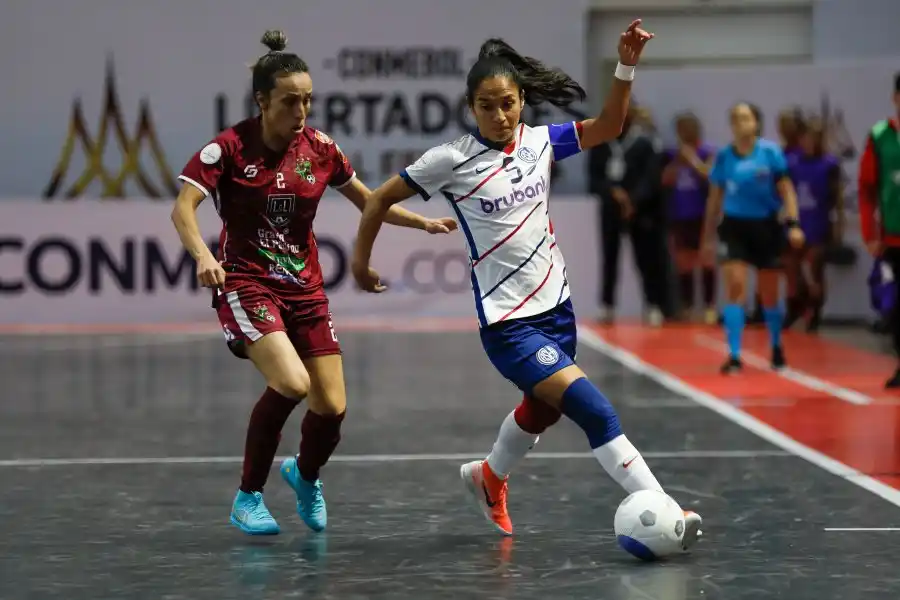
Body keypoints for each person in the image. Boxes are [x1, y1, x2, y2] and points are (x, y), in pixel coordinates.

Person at [350, 20, 703, 550]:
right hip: (509, 324)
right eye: (487, 106)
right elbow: (378, 199)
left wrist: (626, 66)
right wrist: (360, 264)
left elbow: (609, 125)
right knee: (596, 411)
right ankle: (668, 511)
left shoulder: (541, 142)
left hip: (557, 308)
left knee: (543, 411)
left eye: (508, 104)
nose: (500, 115)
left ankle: (488, 477)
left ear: (521, 102)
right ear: (471, 107)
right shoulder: (451, 159)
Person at [171, 30, 457, 536]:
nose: (301, 111)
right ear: (262, 101)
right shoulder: (229, 148)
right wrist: (203, 256)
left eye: (307, 99)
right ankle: (248, 497)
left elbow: (370, 201)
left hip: (305, 288)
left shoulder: (321, 149)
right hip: (246, 282)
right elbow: (182, 209)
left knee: (332, 407)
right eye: (289, 101)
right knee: (292, 383)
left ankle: (304, 475)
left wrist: (422, 223)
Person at [701, 103, 804, 374]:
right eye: (735, 118)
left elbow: (787, 191)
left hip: (766, 227)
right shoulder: (724, 157)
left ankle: (776, 346)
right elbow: (714, 200)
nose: (740, 123)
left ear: (756, 123)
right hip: (734, 227)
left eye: (745, 118)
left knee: (768, 293)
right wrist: (707, 238)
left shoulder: (770, 153)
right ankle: (734, 355)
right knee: (735, 287)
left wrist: (793, 224)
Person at [588, 104, 666, 326]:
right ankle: (607, 305)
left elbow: (651, 178)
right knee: (609, 257)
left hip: (639, 210)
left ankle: (653, 304)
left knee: (646, 258)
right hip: (610, 208)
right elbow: (594, 177)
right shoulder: (601, 142)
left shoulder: (644, 143)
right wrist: (612, 192)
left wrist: (633, 200)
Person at [859, 71, 900, 388]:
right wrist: (870, 233)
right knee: (895, 305)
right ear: (895, 98)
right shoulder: (880, 136)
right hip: (893, 238)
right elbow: (866, 189)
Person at [783, 116, 843, 332]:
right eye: (806, 138)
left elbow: (837, 198)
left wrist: (838, 225)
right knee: (791, 267)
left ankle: (815, 313)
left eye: (814, 138)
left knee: (814, 268)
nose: (809, 142)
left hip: (818, 222)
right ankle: (794, 308)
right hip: (795, 223)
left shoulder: (829, 164)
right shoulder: (791, 161)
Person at [661, 113, 716, 323]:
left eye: (687, 128)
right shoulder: (673, 154)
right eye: (680, 129)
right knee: (684, 261)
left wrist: (692, 160)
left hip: (702, 214)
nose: (683, 133)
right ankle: (688, 306)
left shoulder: (707, 151)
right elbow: (665, 180)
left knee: (706, 259)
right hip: (680, 214)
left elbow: (710, 175)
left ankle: (709, 306)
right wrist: (677, 162)